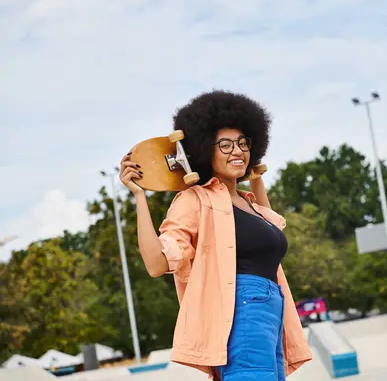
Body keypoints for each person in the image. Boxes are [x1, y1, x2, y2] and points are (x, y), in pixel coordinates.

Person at [119, 90, 311, 380]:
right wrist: (139, 197)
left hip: (272, 312)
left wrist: (254, 174)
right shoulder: (196, 200)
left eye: (243, 143)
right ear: (204, 149)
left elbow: (273, 230)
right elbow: (157, 263)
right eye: (225, 145)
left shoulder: (248, 202)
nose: (237, 151)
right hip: (243, 310)